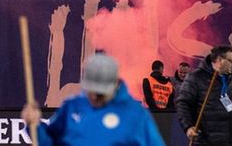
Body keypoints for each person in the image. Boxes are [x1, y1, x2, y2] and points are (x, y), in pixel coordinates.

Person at [21, 53, 165, 146]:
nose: (95, 96)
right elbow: (50, 142)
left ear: (115, 84)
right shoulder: (72, 107)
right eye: (92, 90)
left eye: (101, 92)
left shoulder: (136, 115)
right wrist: (34, 125)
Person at [175, 45, 232, 146]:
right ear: (220, 60)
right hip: (207, 142)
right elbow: (183, 104)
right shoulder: (195, 78)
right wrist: (188, 127)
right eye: (231, 60)